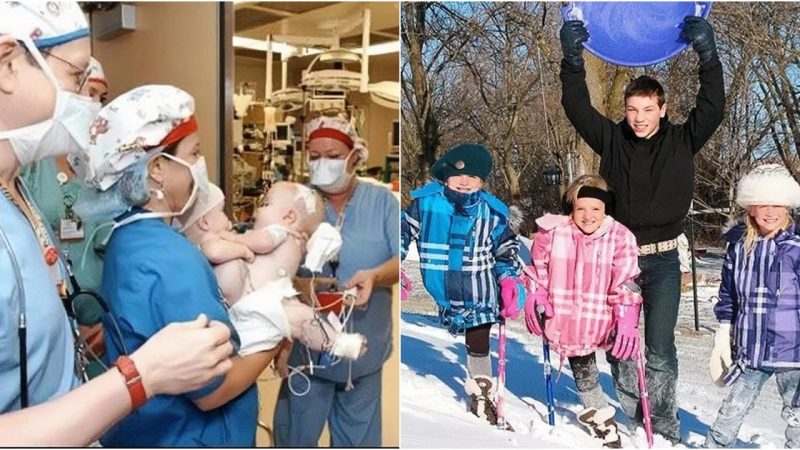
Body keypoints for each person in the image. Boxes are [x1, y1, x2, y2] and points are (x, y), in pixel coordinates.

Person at [0, 0, 234, 442]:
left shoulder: (16, 192)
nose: (90, 102)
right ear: (8, 63)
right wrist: (142, 375)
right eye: (76, 75)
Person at [75, 85, 276, 447]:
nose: (200, 166)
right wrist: (277, 337)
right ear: (156, 170)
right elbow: (212, 390)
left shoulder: (125, 240)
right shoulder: (172, 258)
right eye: (194, 153)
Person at [559, 15, 725, 443]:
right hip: (618, 261)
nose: (639, 118)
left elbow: (713, 106)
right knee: (620, 343)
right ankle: (637, 412)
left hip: (665, 259)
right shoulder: (612, 139)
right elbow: (577, 107)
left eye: (648, 110)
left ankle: (665, 422)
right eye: (632, 110)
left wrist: (708, 55)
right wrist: (572, 59)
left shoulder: (682, 141)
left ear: (662, 109)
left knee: (660, 347)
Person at [273, 115, 399, 447]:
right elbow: (271, 271)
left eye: (331, 155)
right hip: (306, 358)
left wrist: (375, 275)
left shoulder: (382, 203)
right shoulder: (295, 204)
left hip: (363, 355)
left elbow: (402, 263)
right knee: (294, 440)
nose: (321, 164)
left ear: (354, 155)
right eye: (314, 156)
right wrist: (300, 286)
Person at [400, 143, 525, 426]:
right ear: (445, 176)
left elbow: (505, 250)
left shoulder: (492, 213)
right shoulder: (426, 204)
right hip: (442, 285)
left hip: (481, 286)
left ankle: (481, 389)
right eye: (459, 175)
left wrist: (508, 280)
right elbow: (402, 230)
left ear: (482, 182)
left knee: (478, 335)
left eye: (473, 177)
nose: (465, 181)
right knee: (461, 324)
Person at [181, 181, 367, 360]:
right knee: (301, 318)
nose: (258, 209)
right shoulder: (290, 238)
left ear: (288, 217)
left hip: (265, 295)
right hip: (257, 295)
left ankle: (334, 343)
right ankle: (336, 343)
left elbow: (262, 243)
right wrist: (241, 246)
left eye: (266, 204)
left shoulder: (278, 231)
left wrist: (236, 240)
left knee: (300, 320)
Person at [526, 175, 642, 448]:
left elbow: (626, 277)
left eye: (596, 209)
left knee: (625, 361)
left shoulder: (620, 236)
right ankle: (601, 417)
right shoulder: (554, 233)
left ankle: (638, 415)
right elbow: (537, 267)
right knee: (583, 368)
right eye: (581, 209)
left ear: (606, 209)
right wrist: (536, 292)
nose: (588, 216)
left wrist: (626, 316)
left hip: (605, 315)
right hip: (567, 317)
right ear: (571, 208)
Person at [21, 56, 111, 380]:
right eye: (88, 92)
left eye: (102, 98)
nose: (96, 106)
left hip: (109, 324)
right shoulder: (31, 162)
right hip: (51, 323)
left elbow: (124, 247)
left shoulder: (108, 168)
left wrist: (112, 321)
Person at [706, 165, 800, 448]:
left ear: (788, 207)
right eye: (762, 205)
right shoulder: (738, 247)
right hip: (751, 349)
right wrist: (724, 330)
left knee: (797, 412)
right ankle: (716, 445)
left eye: (777, 205)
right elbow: (728, 293)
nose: (770, 212)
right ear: (750, 208)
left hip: (792, 349)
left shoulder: (796, 247)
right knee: (733, 408)